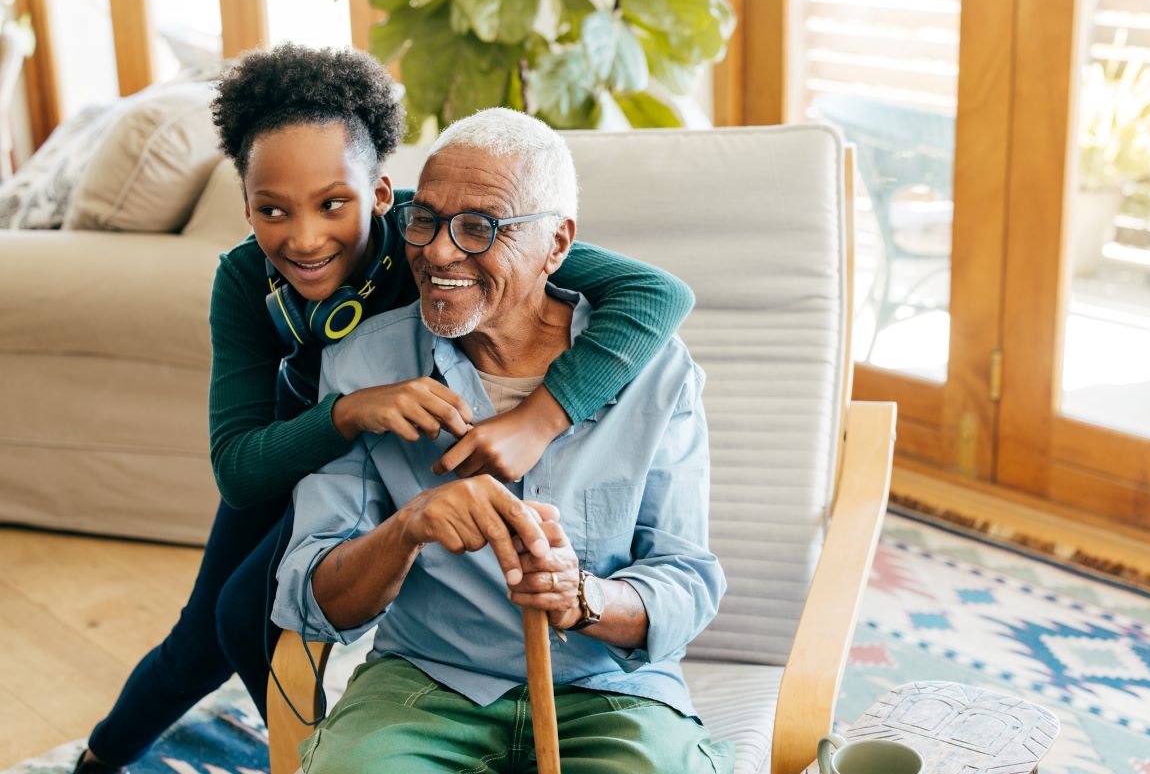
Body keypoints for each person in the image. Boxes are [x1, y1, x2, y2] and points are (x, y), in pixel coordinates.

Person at [73, 46, 695, 773]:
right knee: (217, 625)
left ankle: (312, 738)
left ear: (379, 195)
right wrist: (349, 412)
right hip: (302, 436)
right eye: (273, 210)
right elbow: (240, 472)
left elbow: (657, 295)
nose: (304, 238)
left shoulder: (437, 232)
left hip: (390, 452)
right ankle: (112, 755)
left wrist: (540, 419)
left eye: (332, 203)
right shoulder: (245, 279)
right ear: (245, 205)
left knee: (246, 613)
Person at [272, 107, 731, 774]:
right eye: (423, 218)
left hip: (611, 694)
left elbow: (685, 582)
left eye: (480, 227)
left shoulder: (655, 373)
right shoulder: (362, 367)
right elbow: (312, 594)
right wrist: (407, 529)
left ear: (557, 244)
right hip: (424, 684)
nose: (437, 251)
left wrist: (585, 597)